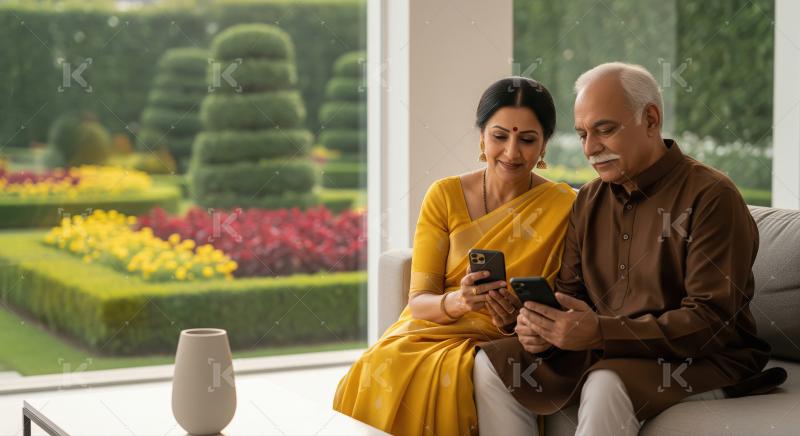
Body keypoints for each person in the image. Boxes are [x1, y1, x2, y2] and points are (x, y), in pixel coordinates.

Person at [474, 62, 785, 436]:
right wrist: (541, 327)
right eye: (582, 134)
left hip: (703, 357)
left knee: (605, 382)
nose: (590, 149)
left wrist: (599, 333)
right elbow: (570, 296)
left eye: (605, 130)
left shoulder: (712, 196)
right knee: (492, 363)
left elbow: (710, 321)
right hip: (609, 350)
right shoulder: (588, 199)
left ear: (651, 119)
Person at [333, 77, 576, 435]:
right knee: (382, 362)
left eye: (527, 140)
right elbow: (419, 303)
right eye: (499, 136)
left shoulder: (565, 205)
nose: (511, 152)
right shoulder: (445, 195)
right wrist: (461, 301)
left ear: (543, 147)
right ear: (481, 137)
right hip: (433, 328)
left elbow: (567, 296)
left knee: (472, 369)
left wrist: (515, 316)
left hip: (506, 340)